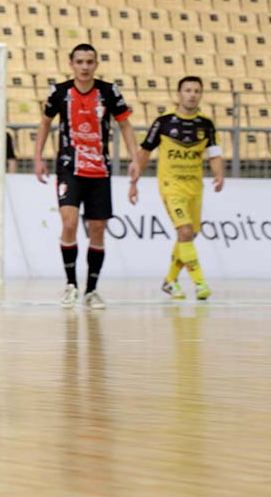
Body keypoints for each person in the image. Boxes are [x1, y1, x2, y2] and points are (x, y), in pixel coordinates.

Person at [33, 43, 140, 309]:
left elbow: (125, 125)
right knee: (68, 223)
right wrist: (38, 157)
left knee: (97, 229)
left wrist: (135, 159)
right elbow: (45, 123)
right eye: (79, 62)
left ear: (96, 65)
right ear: (71, 64)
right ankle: (71, 285)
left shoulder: (108, 92)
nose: (84, 67)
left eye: (89, 62)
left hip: (99, 169)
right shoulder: (59, 92)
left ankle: (91, 290)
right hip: (69, 167)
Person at [128, 76, 224, 300]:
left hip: (195, 189)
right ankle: (200, 283)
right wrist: (134, 182)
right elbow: (144, 152)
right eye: (188, 90)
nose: (192, 94)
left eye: (197, 91)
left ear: (201, 95)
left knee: (188, 236)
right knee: (185, 231)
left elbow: (214, 153)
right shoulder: (164, 122)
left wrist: (219, 174)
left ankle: (170, 281)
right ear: (178, 94)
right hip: (171, 187)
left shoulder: (206, 125)